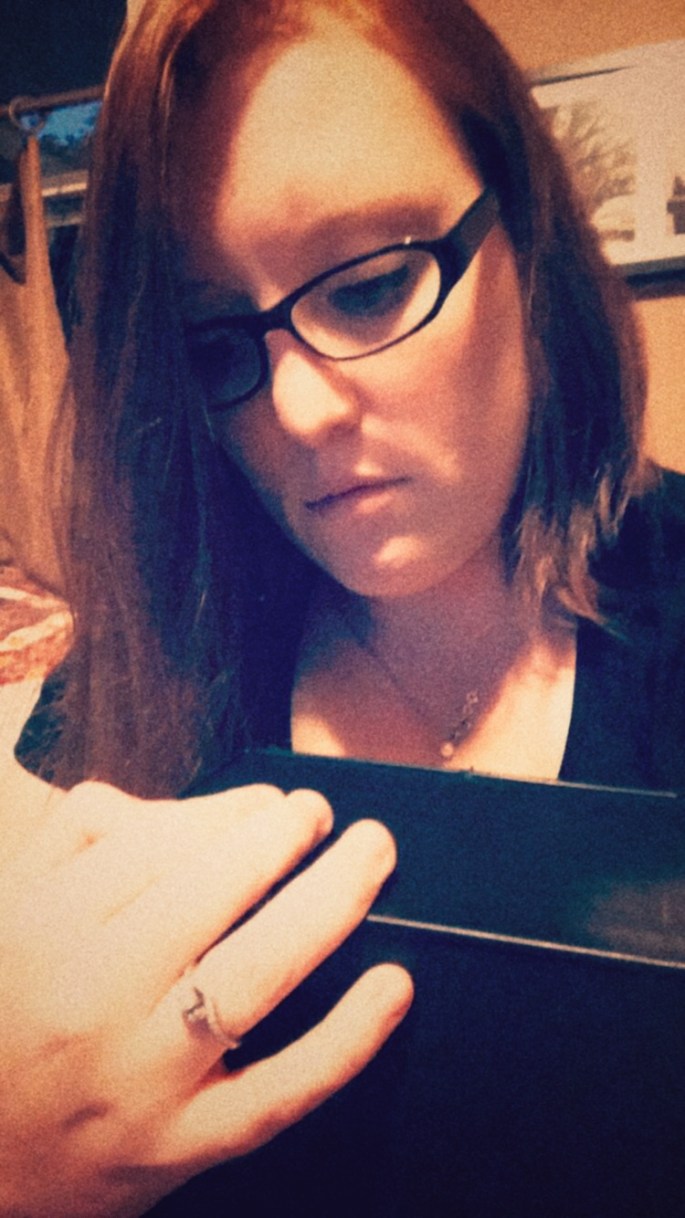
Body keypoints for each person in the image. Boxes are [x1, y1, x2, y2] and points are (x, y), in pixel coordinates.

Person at [2, 0, 684, 1215]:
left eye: (369, 290)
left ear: (526, 234)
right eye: (219, 345)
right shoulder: (146, 671)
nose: (297, 411)